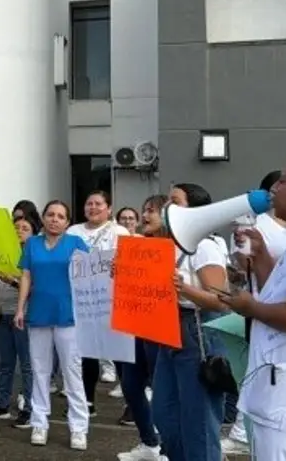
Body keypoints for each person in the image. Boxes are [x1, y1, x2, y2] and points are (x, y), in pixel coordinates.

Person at [220, 151, 286, 459]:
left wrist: (249, 307)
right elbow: (281, 295)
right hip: (281, 397)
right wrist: (259, 255)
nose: (275, 188)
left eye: (284, 181)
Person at [152, 183, 230, 460]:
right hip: (168, 330)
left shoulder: (204, 247)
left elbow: (221, 300)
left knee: (199, 419)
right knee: (163, 411)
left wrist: (184, 288)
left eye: (175, 201)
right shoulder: (167, 246)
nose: (166, 208)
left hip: (196, 331)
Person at [16, 200, 90, 450]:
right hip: (38, 314)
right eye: (50, 214)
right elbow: (26, 276)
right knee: (40, 371)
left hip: (69, 315)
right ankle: (39, 422)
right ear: (44, 218)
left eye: (60, 216)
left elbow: (92, 275)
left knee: (72, 372)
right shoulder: (32, 244)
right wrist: (20, 308)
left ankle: (79, 428)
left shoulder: (76, 243)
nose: (55, 219)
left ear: (68, 222)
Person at [66, 190, 130, 413]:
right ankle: (87, 401)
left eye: (98, 204)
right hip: (84, 300)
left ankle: (131, 402)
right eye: (89, 203)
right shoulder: (73, 231)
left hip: (114, 299)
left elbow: (130, 261)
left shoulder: (119, 231)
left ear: (109, 208)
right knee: (86, 352)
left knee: (121, 354)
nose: (93, 207)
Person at [114, 194, 167, 461]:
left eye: (151, 211)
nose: (145, 216)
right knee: (131, 385)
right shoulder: (136, 246)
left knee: (164, 391)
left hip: (163, 329)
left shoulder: (177, 247)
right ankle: (149, 442)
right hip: (136, 326)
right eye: (144, 210)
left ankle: (169, 448)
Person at [0, 215, 35, 428]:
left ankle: (29, 408)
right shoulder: (4, 252)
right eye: (16, 227)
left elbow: (34, 288)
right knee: (5, 362)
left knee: (27, 364)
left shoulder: (34, 254)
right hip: (3, 312)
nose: (19, 230)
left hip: (24, 314)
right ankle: (1, 404)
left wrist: (11, 280)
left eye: (25, 227)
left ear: (32, 233)